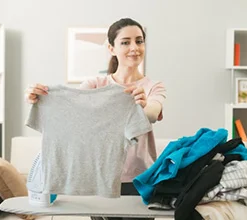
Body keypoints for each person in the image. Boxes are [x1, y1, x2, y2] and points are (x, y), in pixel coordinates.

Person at [25, 18, 166, 220]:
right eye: (125, 42)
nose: (134, 47)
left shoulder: (153, 86)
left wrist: (142, 105)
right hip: (101, 176)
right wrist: (37, 98)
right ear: (111, 48)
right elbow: (71, 112)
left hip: (141, 179)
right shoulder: (95, 84)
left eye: (139, 41)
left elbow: (152, 113)